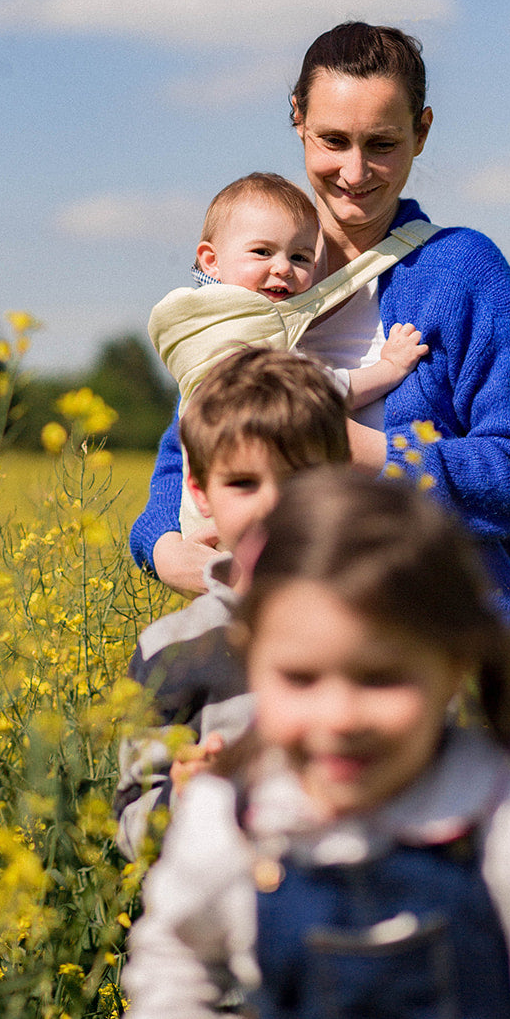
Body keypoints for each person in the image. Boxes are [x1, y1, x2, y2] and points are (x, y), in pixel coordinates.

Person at [121, 468, 510, 1019]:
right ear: (249, 657)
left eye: (380, 679)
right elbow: (170, 962)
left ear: (453, 666)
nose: (339, 720)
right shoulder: (233, 812)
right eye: (300, 679)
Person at [132, 21, 510, 625]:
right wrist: (161, 548)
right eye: (332, 140)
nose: (354, 173)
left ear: (422, 131)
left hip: (427, 638)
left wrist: (355, 450)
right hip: (273, 648)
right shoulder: (252, 267)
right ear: (298, 121)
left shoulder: (465, 271)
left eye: (381, 144)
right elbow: (191, 444)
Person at [113, 348, 351, 861]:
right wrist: (183, 792)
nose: (271, 506)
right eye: (243, 483)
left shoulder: (377, 634)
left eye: (297, 481)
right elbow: (133, 826)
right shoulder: (170, 648)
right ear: (199, 491)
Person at [149, 170, 429, 539]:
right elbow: (315, 392)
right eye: (262, 252)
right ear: (210, 260)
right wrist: (389, 368)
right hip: (236, 517)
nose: (283, 267)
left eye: (300, 256)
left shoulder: (198, 318)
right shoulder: (235, 325)